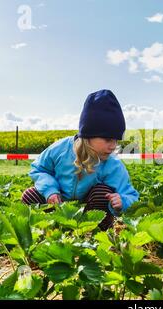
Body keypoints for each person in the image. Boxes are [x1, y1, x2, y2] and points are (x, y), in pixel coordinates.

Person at [21, 89, 139, 230]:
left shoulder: (112, 164)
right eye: (108, 139)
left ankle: (97, 232)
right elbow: (39, 169)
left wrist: (123, 201)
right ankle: (45, 230)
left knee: (102, 194)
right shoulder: (60, 149)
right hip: (58, 205)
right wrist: (50, 190)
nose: (113, 146)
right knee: (30, 195)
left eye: (116, 140)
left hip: (88, 212)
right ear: (89, 134)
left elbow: (129, 194)